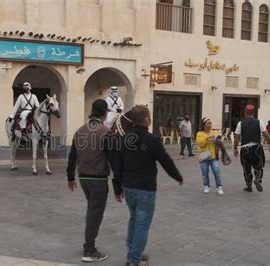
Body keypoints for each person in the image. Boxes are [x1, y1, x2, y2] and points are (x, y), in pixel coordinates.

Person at [111, 105, 183, 266]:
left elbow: (117, 165)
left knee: (135, 219)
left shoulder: (124, 139)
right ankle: (134, 259)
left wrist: (117, 187)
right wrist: (176, 176)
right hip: (145, 189)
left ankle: (133, 251)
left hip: (128, 188)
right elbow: (165, 160)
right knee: (142, 224)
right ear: (146, 120)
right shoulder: (151, 140)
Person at [67, 99, 111, 262]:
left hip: (83, 177)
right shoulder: (105, 132)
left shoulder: (80, 131)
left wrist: (70, 177)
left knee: (92, 210)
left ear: (92, 110)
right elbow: (113, 158)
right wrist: (119, 182)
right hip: (98, 178)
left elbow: (72, 156)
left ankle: (89, 244)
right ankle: (89, 250)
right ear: (105, 113)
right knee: (95, 213)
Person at [234, 105, 270, 192]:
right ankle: (257, 178)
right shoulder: (259, 122)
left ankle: (249, 186)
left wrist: (235, 148)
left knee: (246, 168)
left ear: (245, 112)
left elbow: (237, 137)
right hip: (256, 147)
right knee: (258, 165)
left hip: (244, 148)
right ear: (254, 113)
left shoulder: (241, 123)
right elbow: (266, 135)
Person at [196, 118, 224, 195]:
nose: (210, 125)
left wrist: (218, 139)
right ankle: (206, 186)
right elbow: (200, 144)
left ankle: (219, 187)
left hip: (213, 156)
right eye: (208, 123)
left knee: (216, 171)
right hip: (203, 155)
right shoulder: (199, 134)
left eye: (210, 123)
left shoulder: (214, 132)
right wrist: (208, 139)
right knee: (205, 173)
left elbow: (219, 140)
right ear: (204, 125)